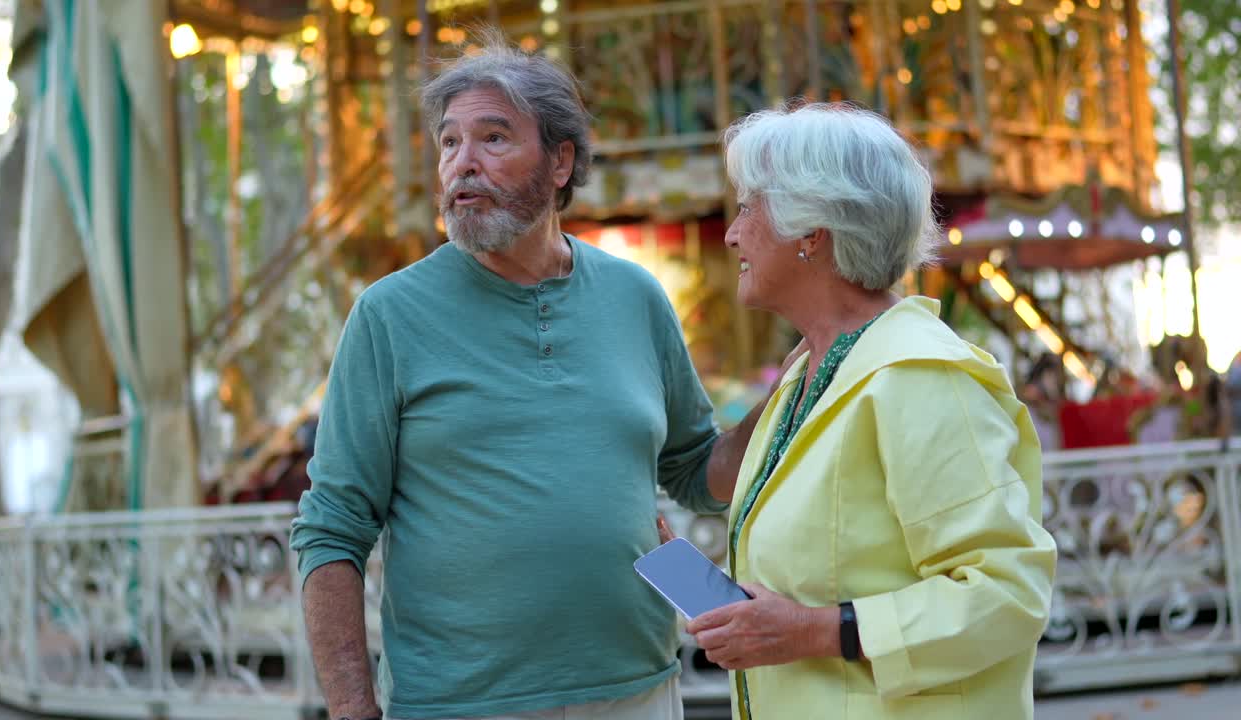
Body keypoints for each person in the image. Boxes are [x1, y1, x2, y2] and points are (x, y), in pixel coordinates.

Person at [289, 37, 783, 720]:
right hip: (460, 705)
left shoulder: (635, 296)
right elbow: (332, 528)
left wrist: (794, 385)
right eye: (449, 142)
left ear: (561, 161)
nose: (463, 163)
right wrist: (352, 711)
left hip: (640, 691)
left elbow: (697, 473)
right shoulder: (388, 316)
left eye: (493, 138)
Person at [685, 103, 1058, 720]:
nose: (731, 234)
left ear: (812, 230)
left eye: (749, 207)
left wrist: (811, 631)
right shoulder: (810, 372)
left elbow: (1007, 593)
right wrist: (713, 589)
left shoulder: (921, 377)